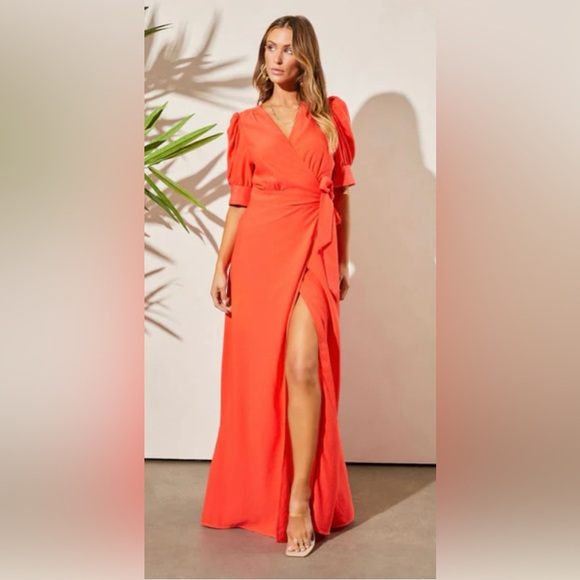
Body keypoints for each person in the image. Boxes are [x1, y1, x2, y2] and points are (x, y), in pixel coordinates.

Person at [201, 14, 356, 558]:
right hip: (260, 252)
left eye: (287, 49)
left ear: (305, 56)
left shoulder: (331, 117)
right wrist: (221, 265)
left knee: (303, 368)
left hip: (314, 247)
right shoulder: (246, 123)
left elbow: (341, 193)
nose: (276, 58)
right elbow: (240, 202)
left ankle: (298, 503)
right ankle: (261, 491)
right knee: (261, 377)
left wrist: (343, 260)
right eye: (270, 47)